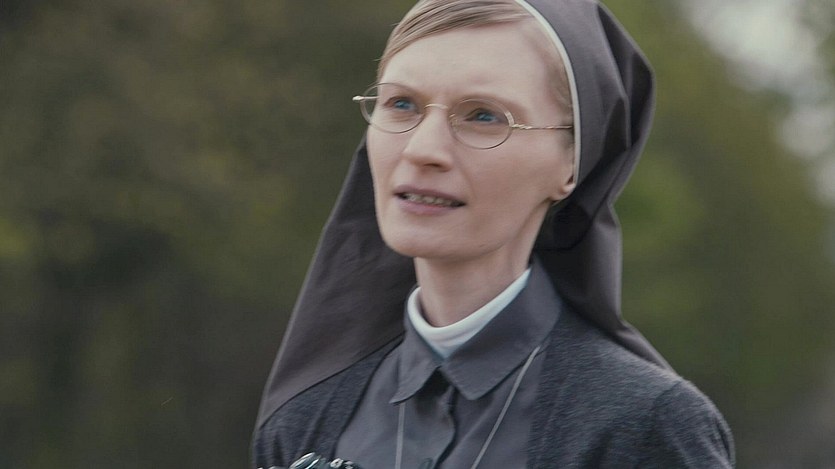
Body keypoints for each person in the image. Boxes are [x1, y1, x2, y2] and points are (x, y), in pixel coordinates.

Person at [253, 0, 735, 467]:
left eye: (484, 116)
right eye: (401, 104)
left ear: (573, 162)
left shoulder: (643, 427)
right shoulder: (304, 419)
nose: (423, 149)